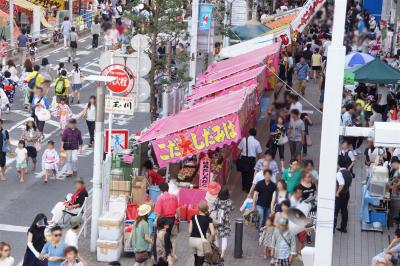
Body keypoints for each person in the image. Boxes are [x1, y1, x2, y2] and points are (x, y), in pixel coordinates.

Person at [189, 200, 216, 266]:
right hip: (201, 242)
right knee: (200, 261)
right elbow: (213, 233)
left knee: (196, 258)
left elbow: (189, 231)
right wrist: (213, 239)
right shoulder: (209, 219)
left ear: (198, 208)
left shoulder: (193, 217)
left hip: (192, 240)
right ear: (207, 209)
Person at [211, 189, 234, 260]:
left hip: (216, 221)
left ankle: (218, 251)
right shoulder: (229, 202)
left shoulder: (217, 200)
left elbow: (213, 208)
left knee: (216, 236)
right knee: (224, 238)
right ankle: (222, 254)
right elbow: (232, 209)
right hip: (225, 222)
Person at [238, 128, 262, 192]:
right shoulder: (257, 142)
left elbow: (239, 149)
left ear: (249, 133)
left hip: (244, 158)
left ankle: (244, 186)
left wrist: (238, 158)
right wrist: (259, 160)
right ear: (255, 134)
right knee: (250, 174)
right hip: (251, 159)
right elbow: (259, 153)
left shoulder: (243, 140)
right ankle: (248, 189)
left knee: (244, 173)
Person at [334, 160, 353, 234]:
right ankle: (343, 227)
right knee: (344, 210)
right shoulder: (348, 172)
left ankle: (333, 229)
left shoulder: (339, 173)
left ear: (338, 165)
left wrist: (337, 192)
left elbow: (341, 184)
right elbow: (351, 181)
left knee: (335, 211)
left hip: (340, 194)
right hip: (347, 193)